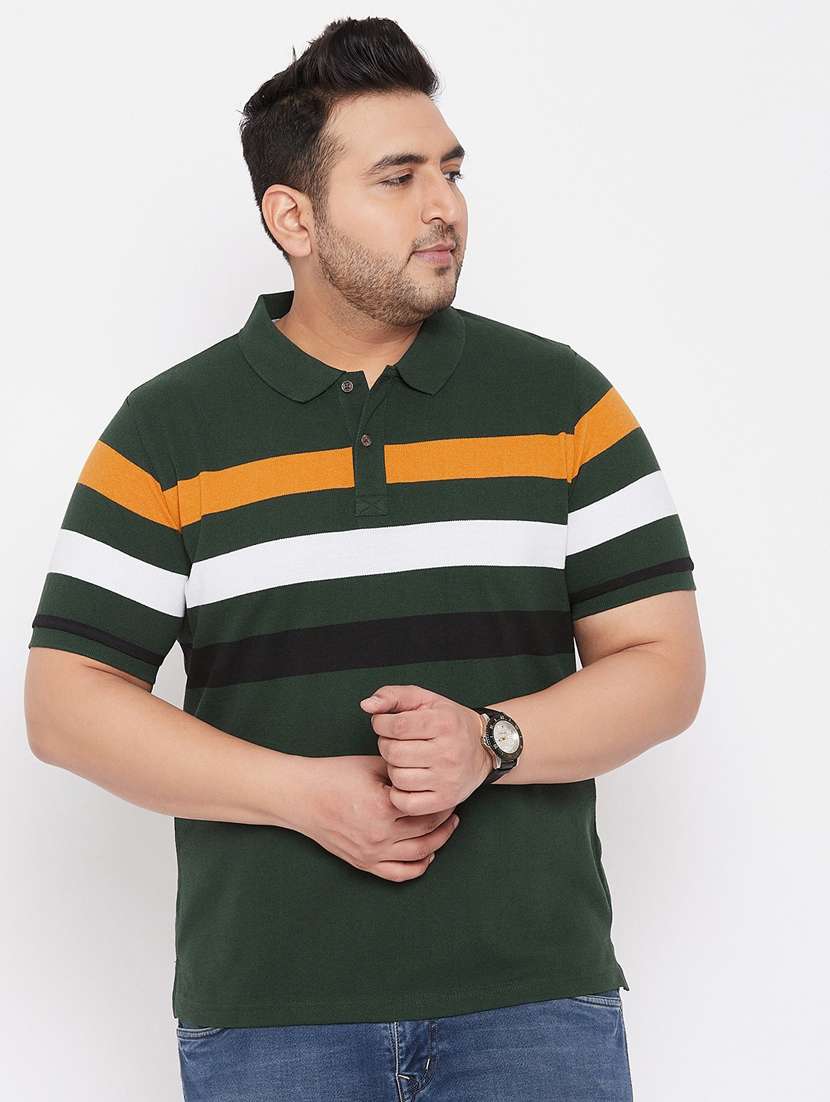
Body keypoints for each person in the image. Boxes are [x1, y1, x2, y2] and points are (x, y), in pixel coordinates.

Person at [24, 16, 705, 1101]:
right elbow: (64, 704)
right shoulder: (166, 431)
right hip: (269, 1019)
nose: (444, 206)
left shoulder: (564, 402)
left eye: (449, 171)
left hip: (532, 1005)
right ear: (291, 216)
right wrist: (301, 793)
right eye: (397, 177)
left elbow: (663, 666)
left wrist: (491, 740)